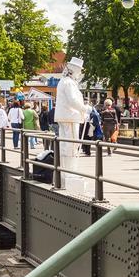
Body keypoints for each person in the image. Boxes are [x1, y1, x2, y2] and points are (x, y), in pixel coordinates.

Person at [54, 57, 91, 185]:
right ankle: (70, 173)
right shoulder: (69, 83)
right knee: (72, 145)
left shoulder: (64, 81)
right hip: (70, 117)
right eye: (79, 70)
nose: (80, 72)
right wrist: (84, 109)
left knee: (66, 145)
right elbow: (72, 100)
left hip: (66, 116)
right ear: (74, 69)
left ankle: (66, 172)